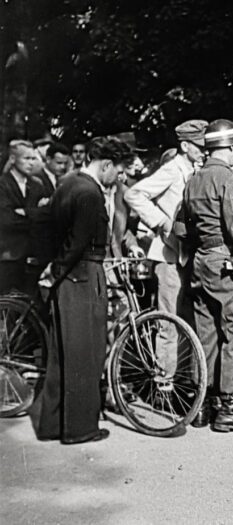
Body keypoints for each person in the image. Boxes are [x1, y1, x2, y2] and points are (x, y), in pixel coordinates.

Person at [30, 136, 133, 444]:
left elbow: (52, 231)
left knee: (61, 356)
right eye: (119, 171)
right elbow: (78, 242)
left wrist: (52, 271)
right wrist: (58, 270)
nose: (120, 178)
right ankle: (80, 428)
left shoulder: (67, 183)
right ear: (107, 165)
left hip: (68, 277)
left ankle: (52, 424)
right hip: (84, 274)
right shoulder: (90, 192)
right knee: (85, 354)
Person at [180, 119, 233, 432]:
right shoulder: (230, 177)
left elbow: (185, 225)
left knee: (205, 333)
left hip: (201, 260)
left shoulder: (195, 178)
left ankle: (201, 404)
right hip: (226, 261)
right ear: (228, 148)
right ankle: (229, 407)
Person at [124, 119, 207, 386]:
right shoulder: (172, 169)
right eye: (199, 146)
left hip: (187, 254)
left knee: (186, 319)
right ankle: (163, 381)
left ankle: (183, 377)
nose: (204, 150)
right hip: (168, 255)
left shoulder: (196, 169)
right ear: (185, 145)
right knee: (168, 321)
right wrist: (161, 222)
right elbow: (135, 194)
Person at [0, 140, 49, 295]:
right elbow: (6, 220)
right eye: (26, 159)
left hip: (34, 254)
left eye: (33, 159)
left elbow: (46, 216)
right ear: (13, 159)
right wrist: (36, 213)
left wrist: (26, 212)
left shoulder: (37, 185)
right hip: (9, 255)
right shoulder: (3, 185)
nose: (31, 163)